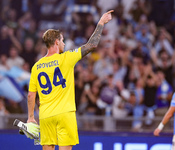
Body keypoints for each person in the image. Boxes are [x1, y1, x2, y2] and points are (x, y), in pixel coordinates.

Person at [27, 10, 113, 150]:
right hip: (65, 114)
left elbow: (31, 95)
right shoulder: (66, 58)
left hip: (45, 115)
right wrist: (101, 23)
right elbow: (92, 45)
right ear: (56, 42)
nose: (64, 44)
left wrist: (31, 117)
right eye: (62, 40)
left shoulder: (36, 66)